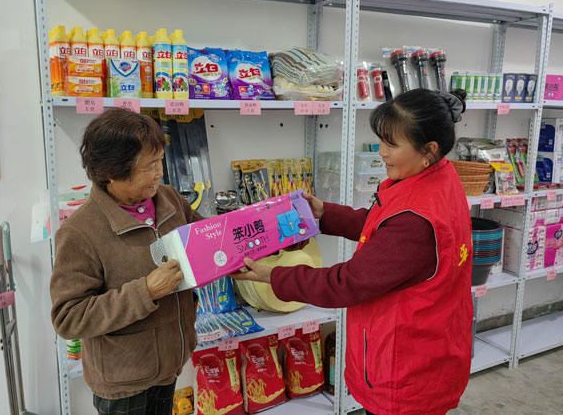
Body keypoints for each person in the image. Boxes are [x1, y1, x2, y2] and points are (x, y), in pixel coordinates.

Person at [232, 89, 473, 415]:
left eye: (391, 144)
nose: (381, 152)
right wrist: (324, 213)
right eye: (380, 140)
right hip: (430, 347)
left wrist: (274, 277)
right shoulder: (439, 178)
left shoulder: (415, 219)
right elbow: (383, 231)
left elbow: (347, 282)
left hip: (405, 369)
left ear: (428, 149)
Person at [50, 108, 201, 415]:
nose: (160, 172)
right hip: (125, 384)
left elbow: (205, 238)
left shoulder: (170, 199)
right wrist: (146, 291)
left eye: (160, 160)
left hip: (170, 364)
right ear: (111, 173)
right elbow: (69, 317)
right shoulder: (79, 232)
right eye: (149, 166)